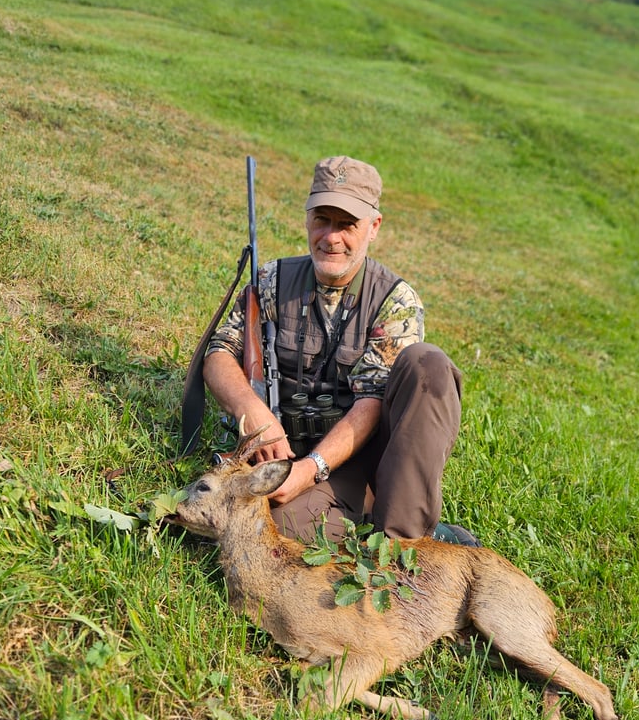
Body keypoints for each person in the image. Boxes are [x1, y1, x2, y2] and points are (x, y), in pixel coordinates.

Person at [203, 155, 478, 546]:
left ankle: (408, 538)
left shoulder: (395, 301)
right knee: (269, 531)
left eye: (347, 224)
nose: (331, 237)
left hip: (363, 461)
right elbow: (219, 355)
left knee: (427, 365)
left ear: (373, 227)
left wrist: (311, 469)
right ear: (307, 218)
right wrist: (254, 412)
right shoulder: (270, 280)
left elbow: (371, 401)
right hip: (287, 457)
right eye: (322, 220)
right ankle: (365, 520)